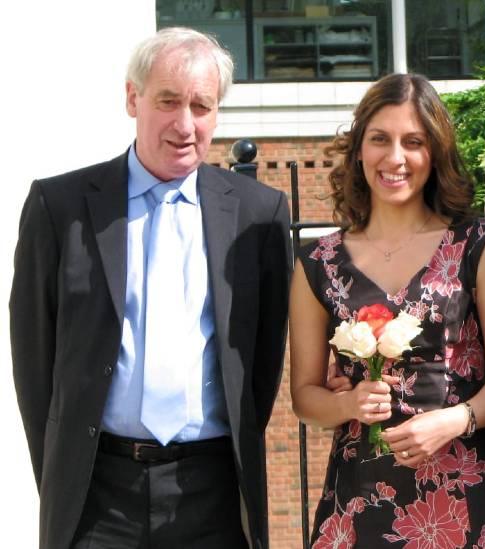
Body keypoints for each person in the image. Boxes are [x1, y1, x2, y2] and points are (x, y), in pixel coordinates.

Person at [10, 27, 291, 549]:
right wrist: (63, 469)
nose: (185, 125)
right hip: (99, 496)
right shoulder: (60, 208)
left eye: (201, 106)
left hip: (212, 491)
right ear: (132, 97)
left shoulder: (259, 214)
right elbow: (34, 361)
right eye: (168, 101)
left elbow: (261, 363)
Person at [289, 73, 485, 548]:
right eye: (380, 140)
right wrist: (347, 404)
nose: (395, 158)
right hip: (359, 499)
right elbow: (305, 397)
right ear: (358, 150)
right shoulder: (318, 263)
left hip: (462, 495)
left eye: (413, 142)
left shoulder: (476, 246)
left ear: (434, 153)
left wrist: (457, 420)